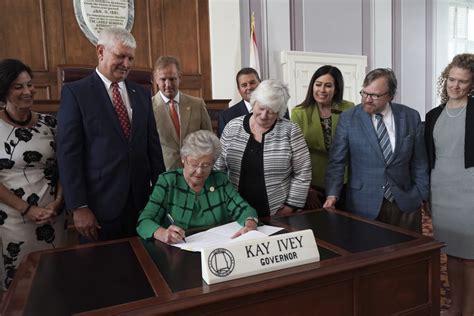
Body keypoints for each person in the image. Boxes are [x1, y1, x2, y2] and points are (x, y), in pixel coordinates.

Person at [57, 27, 165, 242]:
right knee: (103, 270)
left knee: (144, 268)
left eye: (130, 58)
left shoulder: (142, 93)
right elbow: (69, 154)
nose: (126, 64)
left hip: (141, 205)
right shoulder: (76, 93)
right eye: (120, 56)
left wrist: (162, 195)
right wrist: (79, 207)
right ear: (100, 52)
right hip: (99, 208)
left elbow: (153, 148)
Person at [324, 68, 429, 233]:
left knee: (407, 255)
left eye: (375, 95)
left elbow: (419, 161)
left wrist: (421, 193)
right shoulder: (349, 118)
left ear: (391, 95)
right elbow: (337, 161)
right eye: (364, 93)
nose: (367, 100)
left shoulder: (410, 116)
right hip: (363, 203)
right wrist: (332, 195)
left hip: (405, 202)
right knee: (368, 254)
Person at [0, 59, 67, 289]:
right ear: (4, 90)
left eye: (30, 84)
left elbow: (65, 167)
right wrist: (26, 209)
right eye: (18, 87)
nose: (27, 91)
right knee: (21, 288)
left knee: (56, 282)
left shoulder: (51, 123)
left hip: (53, 217)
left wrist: (58, 202)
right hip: (14, 221)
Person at [137, 130, 258, 243]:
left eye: (206, 165)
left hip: (218, 246)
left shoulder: (219, 180)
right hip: (180, 250)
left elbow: (244, 209)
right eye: (194, 164)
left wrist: (250, 225)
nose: (199, 171)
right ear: (183, 159)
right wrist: (162, 233)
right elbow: (145, 221)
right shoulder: (168, 181)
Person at [215, 79, 311, 218]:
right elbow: (219, 168)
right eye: (261, 108)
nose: (264, 115)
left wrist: (290, 207)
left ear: (279, 112)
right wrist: (225, 200)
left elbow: (303, 172)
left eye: (271, 111)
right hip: (236, 209)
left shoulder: (290, 131)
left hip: (277, 212)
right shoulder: (232, 127)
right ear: (253, 103)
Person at [424, 53, 474, 316]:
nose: (455, 86)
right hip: (441, 190)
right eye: (451, 79)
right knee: (452, 253)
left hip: (470, 192)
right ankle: (454, 307)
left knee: (471, 257)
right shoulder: (433, 115)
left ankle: (469, 310)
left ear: (472, 84)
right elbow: (429, 156)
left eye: (462, 82)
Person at [291, 65, 354, 209]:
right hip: (312, 183)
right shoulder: (299, 112)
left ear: (336, 88)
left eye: (328, 86)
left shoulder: (349, 108)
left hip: (342, 181)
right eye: (318, 84)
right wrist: (306, 188)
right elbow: (295, 156)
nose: (322, 90)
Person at [152, 56, 212, 170]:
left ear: (179, 77)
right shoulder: (148, 108)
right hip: (164, 175)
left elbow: (209, 140)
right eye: (163, 79)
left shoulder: (197, 104)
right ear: (155, 79)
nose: (168, 84)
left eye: (172, 79)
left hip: (196, 172)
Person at [217, 67, 261, 137]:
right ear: (239, 90)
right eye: (244, 85)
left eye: (252, 83)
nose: (249, 87)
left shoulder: (275, 109)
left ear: (260, 84)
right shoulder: (226, 117)